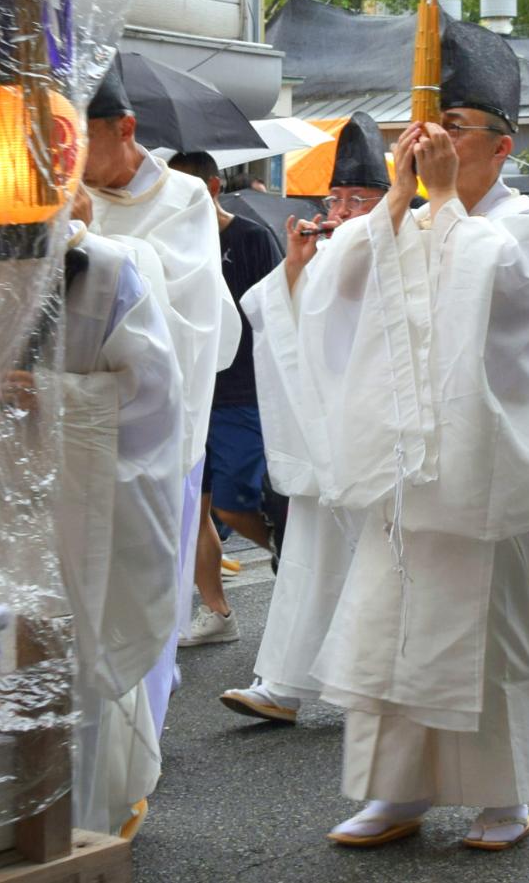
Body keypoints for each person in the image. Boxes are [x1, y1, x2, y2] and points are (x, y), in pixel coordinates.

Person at [294, 21, 529, 850]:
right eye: (428, 127)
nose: (434, 144)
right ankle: (395, 791)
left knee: (488, 641)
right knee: (391, 631)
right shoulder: (413, 218)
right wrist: (395, 200)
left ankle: (504, 796)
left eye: (454, 128)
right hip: (404, 468)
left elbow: (492, 295)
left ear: (502, 146)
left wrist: (445, 203)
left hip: (484, 465)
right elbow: (338, 286)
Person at [83, 60, 239, 736]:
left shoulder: (184, 198)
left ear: (126, 129)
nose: (71, 157)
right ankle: (89, 736)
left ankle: (137, 743)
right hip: (78, 418)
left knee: (146, 587)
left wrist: (89, 242)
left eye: (83, 139)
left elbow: (189, 317)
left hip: (156, 431)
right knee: (83, 593)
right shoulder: (66, 190)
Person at [220, 113, 388, 724]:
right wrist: (294, 267)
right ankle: (283, 683)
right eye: (336, 197)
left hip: (380, 434)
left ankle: (370, 684)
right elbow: (262, 311)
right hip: (322, 435)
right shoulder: (319, 252)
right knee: (308, 559)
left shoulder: (404, 248)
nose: (342, 210)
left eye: (358, 199)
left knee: (378, 566)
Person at [55, 215, 186, 837]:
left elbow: (153, 395)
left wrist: (48, 398)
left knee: (77, 655)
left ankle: (76, 829)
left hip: (81, 500)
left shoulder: (102, 270)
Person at [165, 152, 284, 648]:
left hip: (243, 393)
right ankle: (217, 612)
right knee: (194, 511)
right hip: (193, 394)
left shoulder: (251, 239)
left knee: (235, 506)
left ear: (213, 187)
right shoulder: (171, 245)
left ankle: (295, 555)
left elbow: (278, 309)